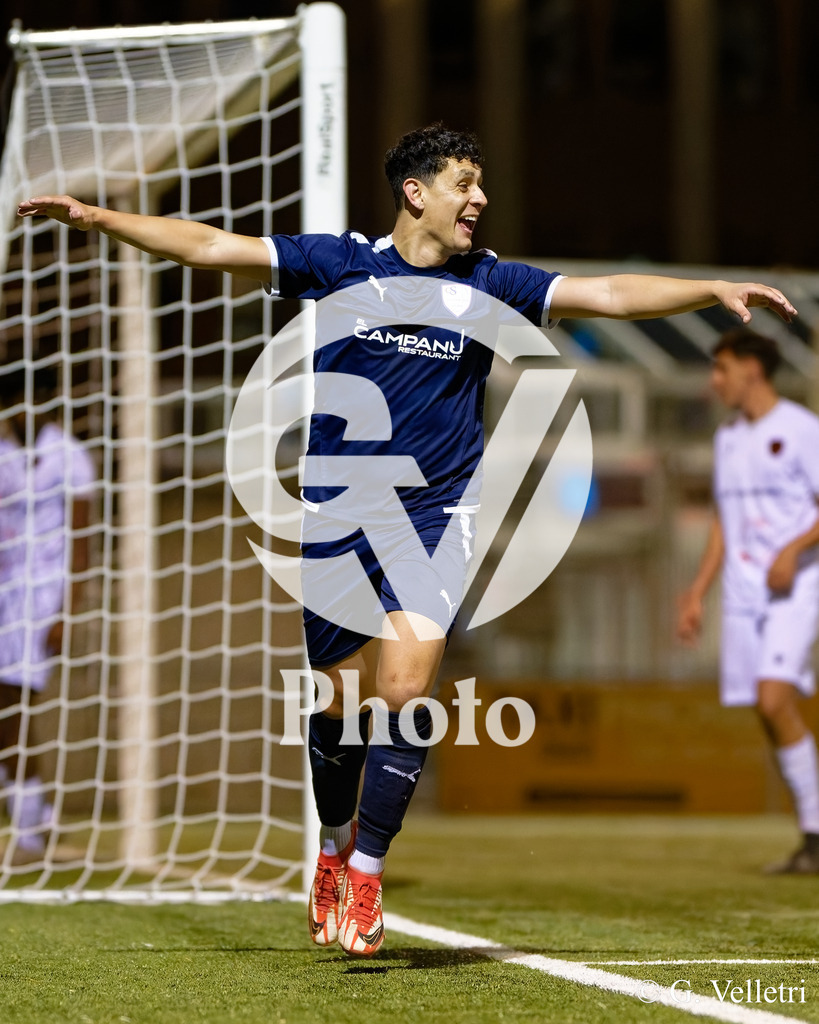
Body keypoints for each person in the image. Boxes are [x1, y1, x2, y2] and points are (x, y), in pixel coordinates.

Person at [18, 124, 797, 952]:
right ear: (416, 193)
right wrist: (101, 220)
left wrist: (707, 286)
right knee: (339, 704)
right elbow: (212, 247)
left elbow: (604, 293)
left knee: (404, 690)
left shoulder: (491, 282)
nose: (480, 199)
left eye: (481, 182)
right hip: (339, 512)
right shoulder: (342, 265)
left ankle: (366, 874)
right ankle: (331, 844)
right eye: (466, 182)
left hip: (435, 518)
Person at [677, 328, 819, 874]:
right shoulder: (728, 437)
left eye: (722, 368)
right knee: (766, 711)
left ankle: (815, 836)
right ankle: (810, 836)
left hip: (793, 589)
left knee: (773, 700)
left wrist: (795, 548)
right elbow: (723, 522)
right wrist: (696, 592)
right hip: (741, 594)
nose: (715, 380)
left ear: (752, 370)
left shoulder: (801, 430)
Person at [0, 365, 95, 866]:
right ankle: (38, 815)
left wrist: (67, 611)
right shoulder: (2, 455)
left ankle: (30, 830)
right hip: (4, 589)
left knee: (12, 706)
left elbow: (82, 544)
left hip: (41, 595)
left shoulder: (70, 457)